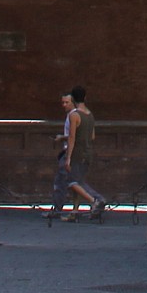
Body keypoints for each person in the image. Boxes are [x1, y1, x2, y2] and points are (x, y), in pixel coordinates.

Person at [49, 86, 108, 223]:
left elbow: (72, 138)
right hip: (88, 152)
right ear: (85, 97)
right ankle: (75, 211)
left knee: (72, 182)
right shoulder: (90, 114)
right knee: (78, 182)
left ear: (73, 99)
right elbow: (92, 136)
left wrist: (68, 158)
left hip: (77, 152)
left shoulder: (74, 115)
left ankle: (95, 200)